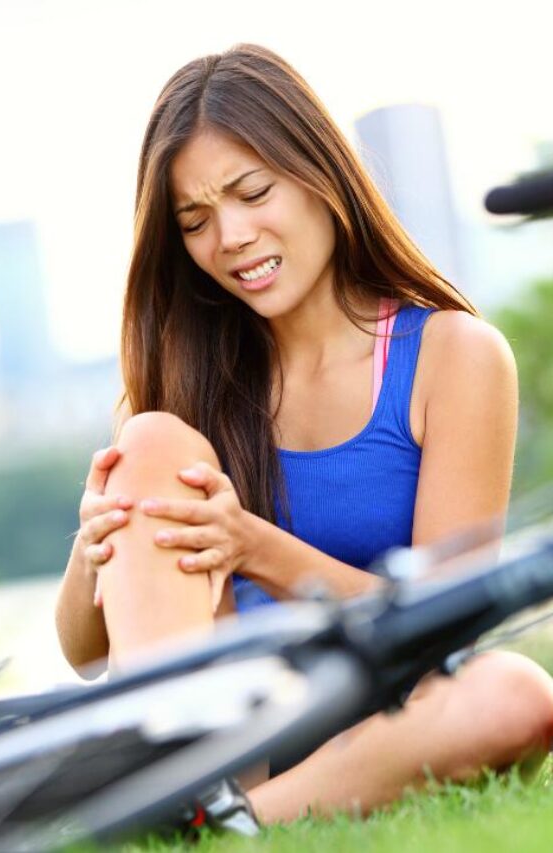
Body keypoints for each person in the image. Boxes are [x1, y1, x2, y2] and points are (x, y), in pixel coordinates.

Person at [55, 43, 553, 823]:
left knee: (516, 693)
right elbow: (86, 652)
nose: (231, 237)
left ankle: (232, 823)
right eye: (195, 220)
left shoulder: (450, 356)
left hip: (381, 715)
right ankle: (195, 792)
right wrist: (95, 555)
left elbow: (446, 627)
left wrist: (253, 545)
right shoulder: (189, 379)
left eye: (253, 192)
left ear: (322, 174)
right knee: (150, 441)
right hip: (224, 724)